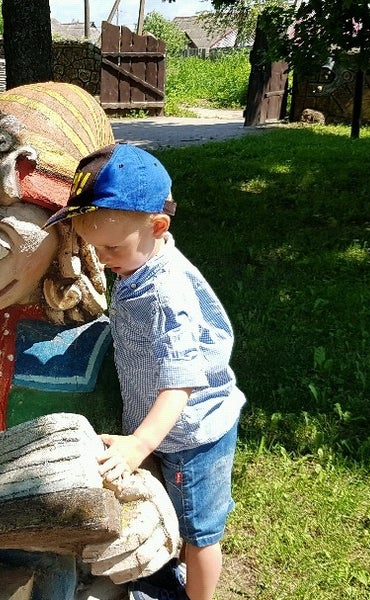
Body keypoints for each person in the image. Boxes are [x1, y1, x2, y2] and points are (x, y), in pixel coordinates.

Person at [44, 143, 246, 600]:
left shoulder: (166, 296)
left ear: (157, 227)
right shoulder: (140, 262)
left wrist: (140, 444)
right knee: (174, 514)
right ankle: (169, 575)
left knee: (200, 532)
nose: (102, 258)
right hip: (165, 429)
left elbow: (180, 383)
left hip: (191, 436)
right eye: (94, 247)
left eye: (111, 247)